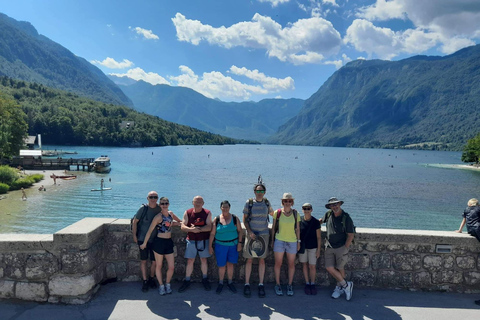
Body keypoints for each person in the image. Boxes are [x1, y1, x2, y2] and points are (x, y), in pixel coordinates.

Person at [140, 197, 182, 295]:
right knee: (159, 265)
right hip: (159, 242)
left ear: (168, 204)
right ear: (160, 205)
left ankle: (167, 284)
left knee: (171, 267)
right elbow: (150, 230)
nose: (164, 205)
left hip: (168, 242)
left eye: (166, 203)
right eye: (162, 203)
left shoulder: (171, 214)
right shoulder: (158, 217)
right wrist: (144, 243)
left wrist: (188, 226)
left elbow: (179, 222)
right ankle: (161, 286)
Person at [243, 176, 273, 298]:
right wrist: (249, 232)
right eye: (257, 191)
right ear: (254, 192)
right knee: (249, 259)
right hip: (251, 234)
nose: (259, 193)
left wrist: (288, 212)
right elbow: (244, 220)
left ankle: (261, 284)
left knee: (262, 260)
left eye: (261, 191)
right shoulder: (249, 203)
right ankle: (246, 284)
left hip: (264, 234)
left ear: (264, 192)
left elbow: (273, 214)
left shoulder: (267, 202)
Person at [320, 197, 355, 301]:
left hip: (341, 247)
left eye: (336, 204)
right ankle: (346, 285)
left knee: (340, 268)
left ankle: (339, 288)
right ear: (330, 207)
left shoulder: (346, 217)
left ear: (340, 204)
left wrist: (345, 248)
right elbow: (320, 221)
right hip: (329, 246)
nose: (334, 206)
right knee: (329, 267)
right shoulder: (328, 214)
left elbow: (350, 235)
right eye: (332, 205)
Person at [179, 195, 212, 292]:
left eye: (200, 202)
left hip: (203, 240)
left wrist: (199, 230)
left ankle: (205, 279)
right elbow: (183, 226)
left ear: (203, 203)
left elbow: (209, 227)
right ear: (193, 202)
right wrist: (191, 230)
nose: (198, 204)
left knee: (204, 260)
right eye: (196, 202)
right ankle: (187, 280)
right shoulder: (188, 212)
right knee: (190, 261)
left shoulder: (207, 213)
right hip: (191, 240)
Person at [209, 200, 243, 294]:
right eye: (223, 207)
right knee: (221, 265)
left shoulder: (235, 218)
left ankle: (230, 282)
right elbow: (212, 234)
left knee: (230, 264)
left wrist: (240, 243)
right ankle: (220, 283)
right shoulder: (217, 219)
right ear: (220, 208)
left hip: (233, 245)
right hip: (220, 245)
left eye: (227, 207)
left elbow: (240, 231)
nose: (225, 209)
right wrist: (210, 246)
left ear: (229, 208)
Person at [271, 192, 300, 296]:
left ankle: (290, 284)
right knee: (278, 263)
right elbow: (273, 228)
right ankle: (277, 284)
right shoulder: (277, 213)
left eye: (289, 201)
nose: (287, 203)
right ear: (282, 202)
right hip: (279, 240)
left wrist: (298, 241)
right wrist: (272, 241)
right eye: (285, 201)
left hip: (292, 241)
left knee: (291, 264)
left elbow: (297, 229)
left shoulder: (296, 214)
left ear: (292, 202)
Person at [132, 191, 161, 292]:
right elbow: (135, 222)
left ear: (157, 198)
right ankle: (145, 281)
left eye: (155, 197)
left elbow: (167, 217)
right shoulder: (143, 209)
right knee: (143, 260)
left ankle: (151, 278)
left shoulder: (159, 208)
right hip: (142, 239)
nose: (153, 199)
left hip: (155, 239)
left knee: (154, 261)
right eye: (151, 197)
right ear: (147, 198)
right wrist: (134, 235)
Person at [299, 203, 321, 295]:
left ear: (311, 210)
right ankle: (307, 283)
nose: (306, 210)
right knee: (304, 265)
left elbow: (319, 237)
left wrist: (319, 250)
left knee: (312, 266)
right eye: (305, 208)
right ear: (302, 210)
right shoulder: (299, 220)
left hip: (313, 247)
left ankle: (312, 283)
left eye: (308, 208)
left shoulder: (316, 222)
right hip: (303, 247)